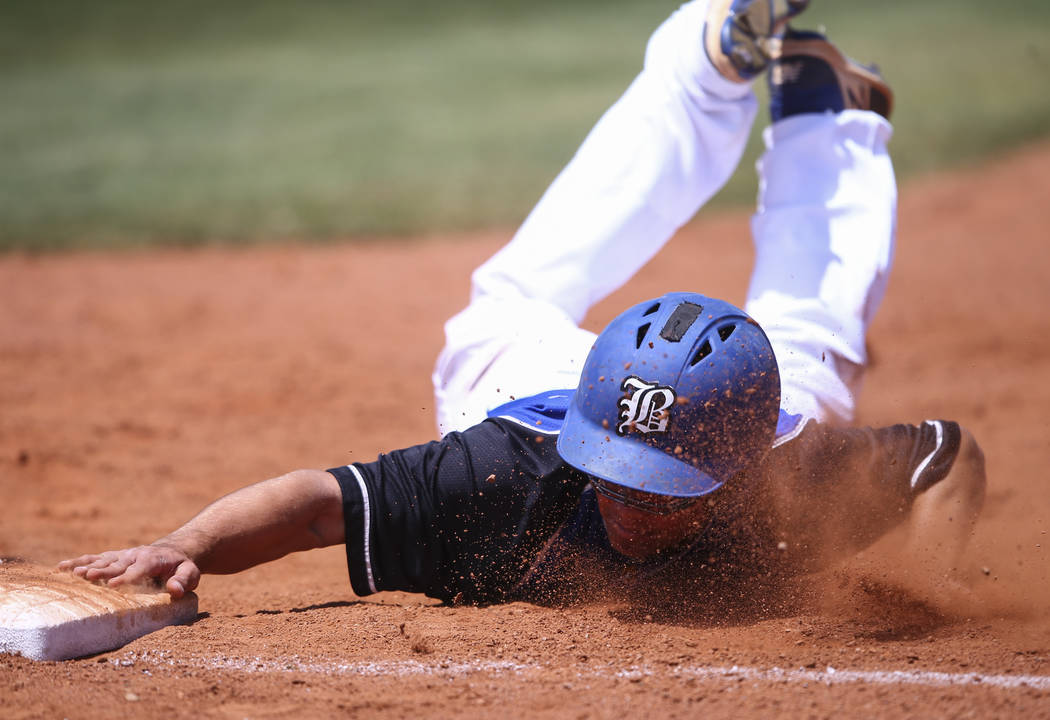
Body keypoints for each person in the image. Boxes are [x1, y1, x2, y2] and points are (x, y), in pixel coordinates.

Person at [60, 1, 985, 614]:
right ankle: (710, 63)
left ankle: (820, 107)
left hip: (742, 421)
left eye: (656, 489)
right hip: (535, 384)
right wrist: (181, 543)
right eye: (614, 474)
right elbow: (319, 505)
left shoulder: (796, 469)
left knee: (813, 367)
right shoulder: (503, 478)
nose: (624, 504)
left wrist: (930, 596)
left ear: (737, 473)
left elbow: (947, 457)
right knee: (503, 308)